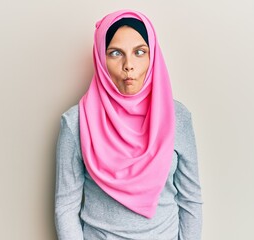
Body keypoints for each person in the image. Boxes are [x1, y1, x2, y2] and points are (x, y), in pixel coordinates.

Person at [55, 9, 203, 240]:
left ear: (152, 56)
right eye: (115, 53)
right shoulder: (75, 122)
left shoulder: (178, 117)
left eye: (139, 52)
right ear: (101, 59)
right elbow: (65, 206)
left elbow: (190, 200)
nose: (128, 65)